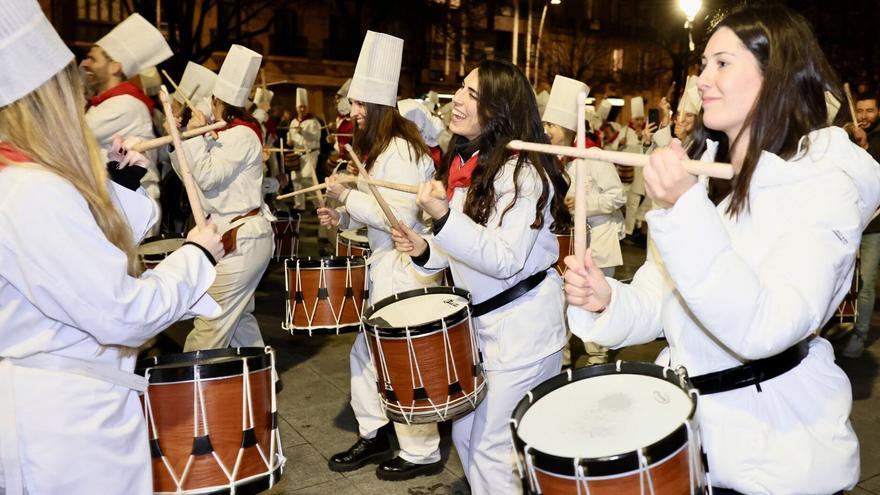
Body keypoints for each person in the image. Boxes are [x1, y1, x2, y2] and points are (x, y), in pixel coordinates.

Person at [564, 5, 878, 494]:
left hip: (778, 457)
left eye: (722, 63)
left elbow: (765, 327)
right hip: (693, 446)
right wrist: (608, 300)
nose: (703, 79)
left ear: (776, 76)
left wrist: (684, 209)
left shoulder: (820, 188)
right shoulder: (707, 177)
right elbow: (662, 301)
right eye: (703, 63)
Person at [0, 3, 224, 494]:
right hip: (64, 426)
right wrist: (196, 257)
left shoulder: (23, 181)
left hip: (59, 407)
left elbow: (76, 249)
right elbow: (123, 312)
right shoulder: (29, 189)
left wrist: (120, 182)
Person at [392, 59, 570, 494]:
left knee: (492, 450)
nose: (458, 98)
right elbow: (467, 249)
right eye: (461, 88)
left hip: (522, 329)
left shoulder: (522, 169)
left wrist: (442, 216)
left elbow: (504, 258)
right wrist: (426, 250)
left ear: (499, 108)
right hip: (483, 329)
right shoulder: (469, 164)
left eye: (473, 94)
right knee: (468, 437)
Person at [317, 30, 445, 482]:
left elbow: (403, 214)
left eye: (357, 105)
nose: (351, 112)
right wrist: (345, 219)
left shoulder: (405, 152)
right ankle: (374, 432)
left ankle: (422, 450)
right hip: (385, 267)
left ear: (376, 108)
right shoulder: (383, 150)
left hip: (406, 270)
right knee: (366, 357)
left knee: (407, 360)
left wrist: (348, 198)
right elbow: (374, 212)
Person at [170, 44, 274, 352]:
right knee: (238, 317)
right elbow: (191, 181)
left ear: (217, 100)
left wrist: (192, 136)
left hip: (243, 238)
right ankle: (263, 379)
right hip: (236, 236)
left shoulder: (240, 135)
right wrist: (182, 141)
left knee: (211, 320)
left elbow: (206, 177)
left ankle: (188, 393)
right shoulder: (228, 133)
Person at [542, 75, 626, 367]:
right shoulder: (551, 161)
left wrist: (584, 205)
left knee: (595, 301)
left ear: (567, 128)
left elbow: (618, 197)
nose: (545, 131)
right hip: (565, 247)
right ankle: (562, 356)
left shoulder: (592, 157)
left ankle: (598, 356)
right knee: (563, 302)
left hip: (599, 243)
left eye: (550, 126)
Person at [81, 13, 173, 220]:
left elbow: (70, 134)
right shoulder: (109, 102)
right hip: (117, 200)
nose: (85, 64)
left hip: (130, 203)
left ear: (115, 67)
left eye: (92, 59)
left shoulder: (124, 104)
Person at [843, 92, 880, 358]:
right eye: (860, 110)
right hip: (848, 222)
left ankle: (859, 334)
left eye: (869, 111)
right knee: (843, 279)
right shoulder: (848, 139)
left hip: (874, 226)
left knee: (866, 282)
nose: (864, 116)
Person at [287, 87, 322, 211]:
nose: (302, 109)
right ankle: (299, 205)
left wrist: (303, 132)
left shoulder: (313, 122)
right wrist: (289, 141)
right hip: (297, 153)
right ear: (296, 108)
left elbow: (316, 136)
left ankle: (318, 204)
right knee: (296, 179)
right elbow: (289, 136)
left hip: (310, 154)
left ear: (307, 108)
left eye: (304, 107)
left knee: (308, 179)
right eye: (300, 107)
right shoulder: (293, 122)